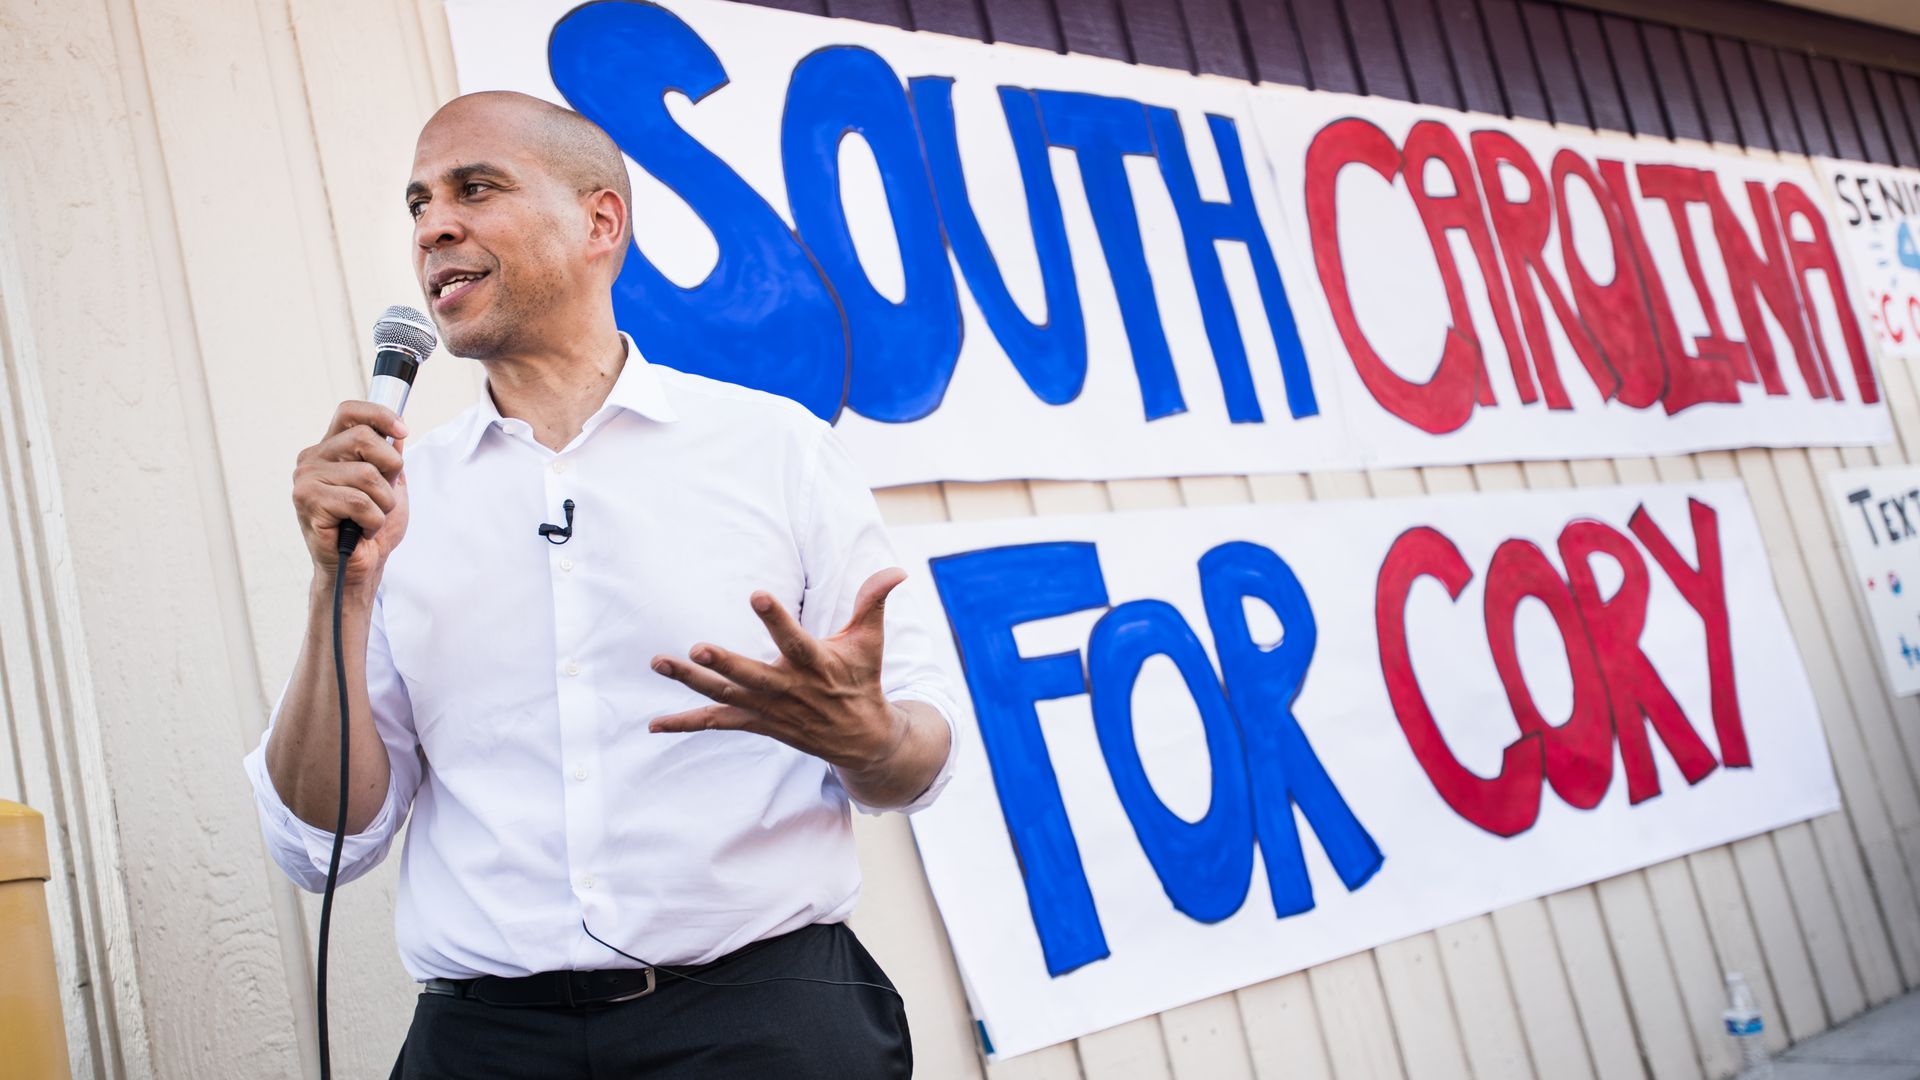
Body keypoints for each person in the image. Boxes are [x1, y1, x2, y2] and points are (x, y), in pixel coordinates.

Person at [242, 90, 959, 1079]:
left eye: (474, 188)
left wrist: (866, 737)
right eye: (418, 205)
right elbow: (324, 841)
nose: (433, 224)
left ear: (600, 222)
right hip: (488, 1045)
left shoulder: (776, 450)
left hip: (765, 1029)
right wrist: (340, 587)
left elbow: (920, 754)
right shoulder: (399, 503)